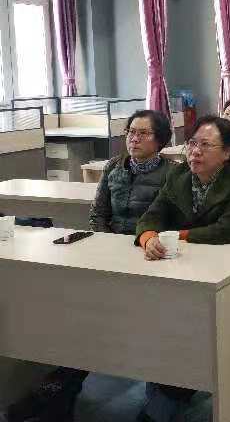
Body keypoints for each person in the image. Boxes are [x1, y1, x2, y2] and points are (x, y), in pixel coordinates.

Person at [4, 110, 173, 422]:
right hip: (110, 254)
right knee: (80, 317)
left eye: (143, 133)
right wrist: (107, 244)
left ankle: (157, 398)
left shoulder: (173, 173)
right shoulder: (114, 167)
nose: (134, 138)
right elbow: (98, 213)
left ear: (160, 140)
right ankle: (58, 391)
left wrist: (141, 244)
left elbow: (170, 221)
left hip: (151, 256)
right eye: (131, 132)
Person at [134, 116, 230, 421]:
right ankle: (168, 389)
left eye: (205, 145)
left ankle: (168, 399)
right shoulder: (178, 175)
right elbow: (152, 215)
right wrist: (148, 236)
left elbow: (226, 231)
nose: (195, 151)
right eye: (192, 143)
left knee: (195, 335)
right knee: (163, 325)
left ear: (227, 152)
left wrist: (175, 235)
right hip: (191, 274)